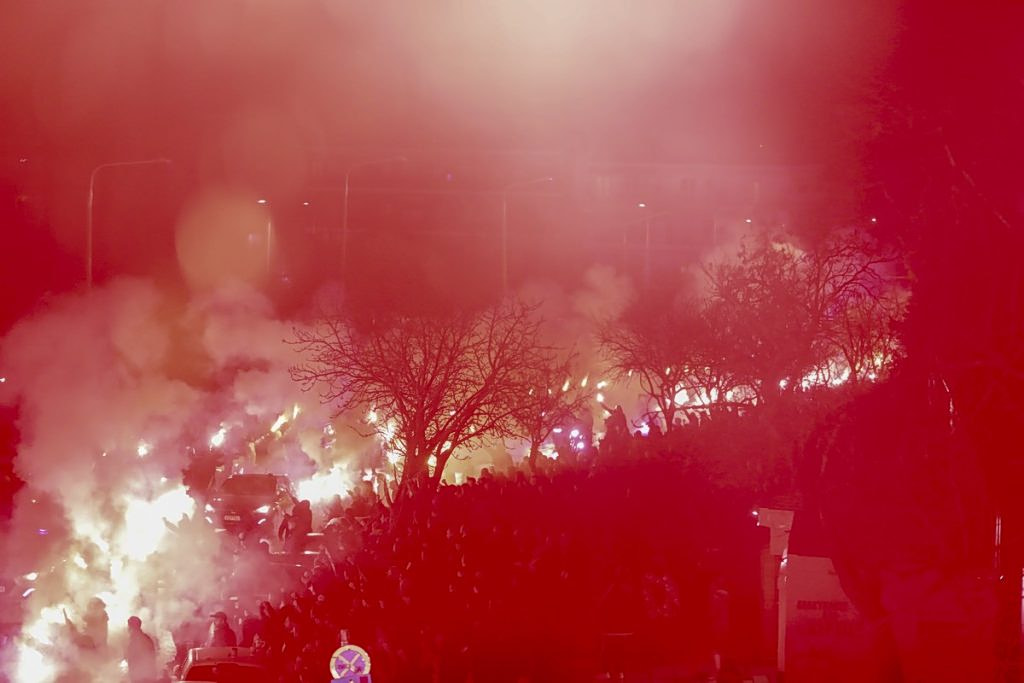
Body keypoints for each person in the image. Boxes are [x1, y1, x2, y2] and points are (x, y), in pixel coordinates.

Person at [125, 616, 158, 683]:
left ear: (132, 627)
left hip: (140, 677)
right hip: (148, 676)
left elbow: (133, 659)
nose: (128, 628)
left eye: (129, 625)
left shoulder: (135, 640)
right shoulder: (146, 638)